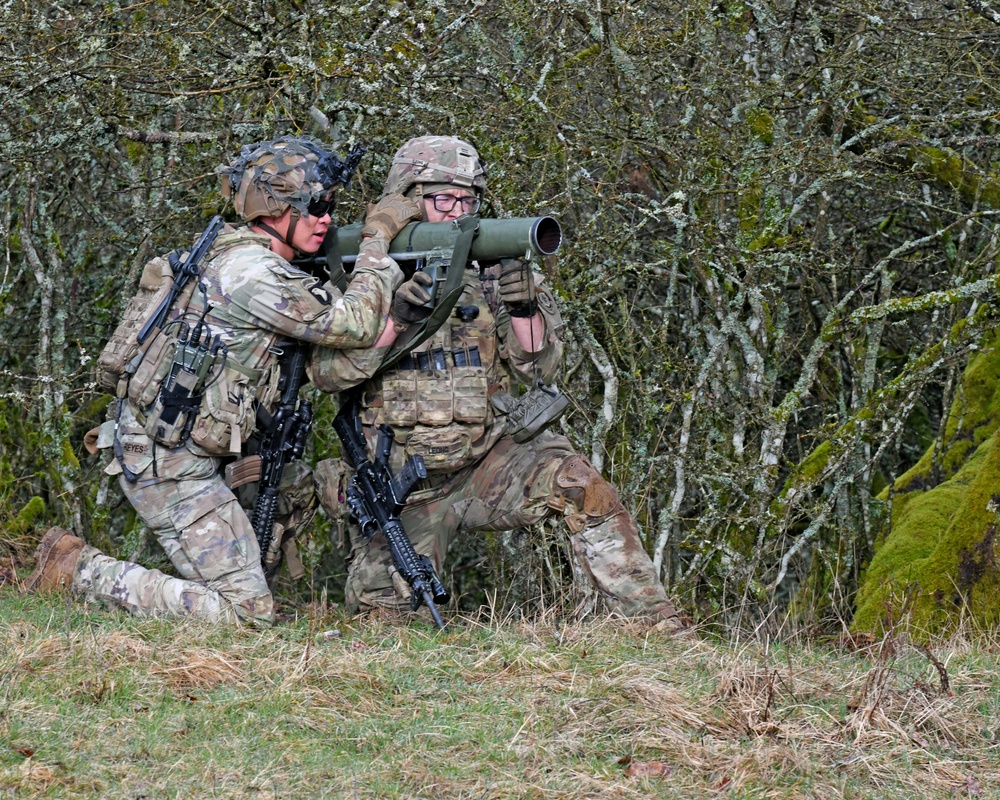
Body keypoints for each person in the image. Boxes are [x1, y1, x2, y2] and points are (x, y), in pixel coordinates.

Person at [23, 135, 427, 625]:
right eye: (317, 205)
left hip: (191, 448)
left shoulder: (241, 255)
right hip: (167, 462)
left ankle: (227, 582)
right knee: (246, 614)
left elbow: (328, 362)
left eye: (331, 206)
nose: (326, 218)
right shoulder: (251, 273)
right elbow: (356, 324)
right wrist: (377, 239)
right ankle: (78, 569)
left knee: (289, 493)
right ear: (277, 207)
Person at [311, 135, 687, 630]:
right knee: (386, 630)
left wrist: (525, 306)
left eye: (468, 200)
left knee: (585, 489)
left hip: (491, 461)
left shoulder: (490, 270)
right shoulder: (362, 279)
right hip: (407, 485)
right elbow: (330, 375)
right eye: (442, 198)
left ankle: (654, 623)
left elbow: (540, 369)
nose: (457, 211)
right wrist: (396, 316)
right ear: (406, 199)